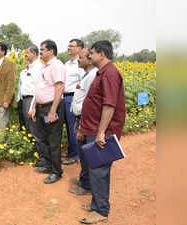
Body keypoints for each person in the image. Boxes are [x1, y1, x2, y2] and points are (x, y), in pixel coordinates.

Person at [78, 40, 126, 224]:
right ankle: (97, 204)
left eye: (91, 53)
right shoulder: (103, 73)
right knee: (96, 169)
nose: (89, 56)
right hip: (94, 128)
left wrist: (101, 132)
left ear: (102, 54)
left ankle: (100, 211)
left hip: (102, 132)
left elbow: (109, 105)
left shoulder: (110, 74)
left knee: (99, 171)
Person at [29, 39, 66, 184]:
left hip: (52, 106)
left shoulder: (57, 66)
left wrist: (52, 111)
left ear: (51, 51)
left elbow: (59, 88)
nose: (41, 52)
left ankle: (57, 171)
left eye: (43, 49)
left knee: (53, 140)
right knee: (43, 138)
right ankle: (49, 166)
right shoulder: (43, 67)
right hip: (41, 107)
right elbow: (39, 89)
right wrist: (33, 107)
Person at [67, 47, 98, 196]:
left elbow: (88, 103)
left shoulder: (92, 76)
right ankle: (84, 180)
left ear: (89, 60)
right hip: (81, 118)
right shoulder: (87, 75)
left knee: (86, 155)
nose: (78, 59)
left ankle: (86, 185)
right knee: (83, 153)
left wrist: (82, 127)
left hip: (86, 121)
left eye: (81, 57)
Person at [17, 45, 44, 166]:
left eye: (27, 53)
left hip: (33, 100)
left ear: (34, 53)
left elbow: (38, 89)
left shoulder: (39, 68)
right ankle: (35, 154)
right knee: (29, 129)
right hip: (24, 100)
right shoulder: (27, 69)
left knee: (36, 130)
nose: (25, 55)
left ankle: (42, 158)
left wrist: (33, 105)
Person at [63, 39, 85, 165]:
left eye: (72, 46)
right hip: (64, 97)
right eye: (68, 45)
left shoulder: (80, 64)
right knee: (68, 127)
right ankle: (71, 151)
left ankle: (76, 155)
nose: (69, 48)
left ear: (79, 48)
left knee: (74, 128)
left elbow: (82, 83)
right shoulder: (66, 64)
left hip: (73, 97)